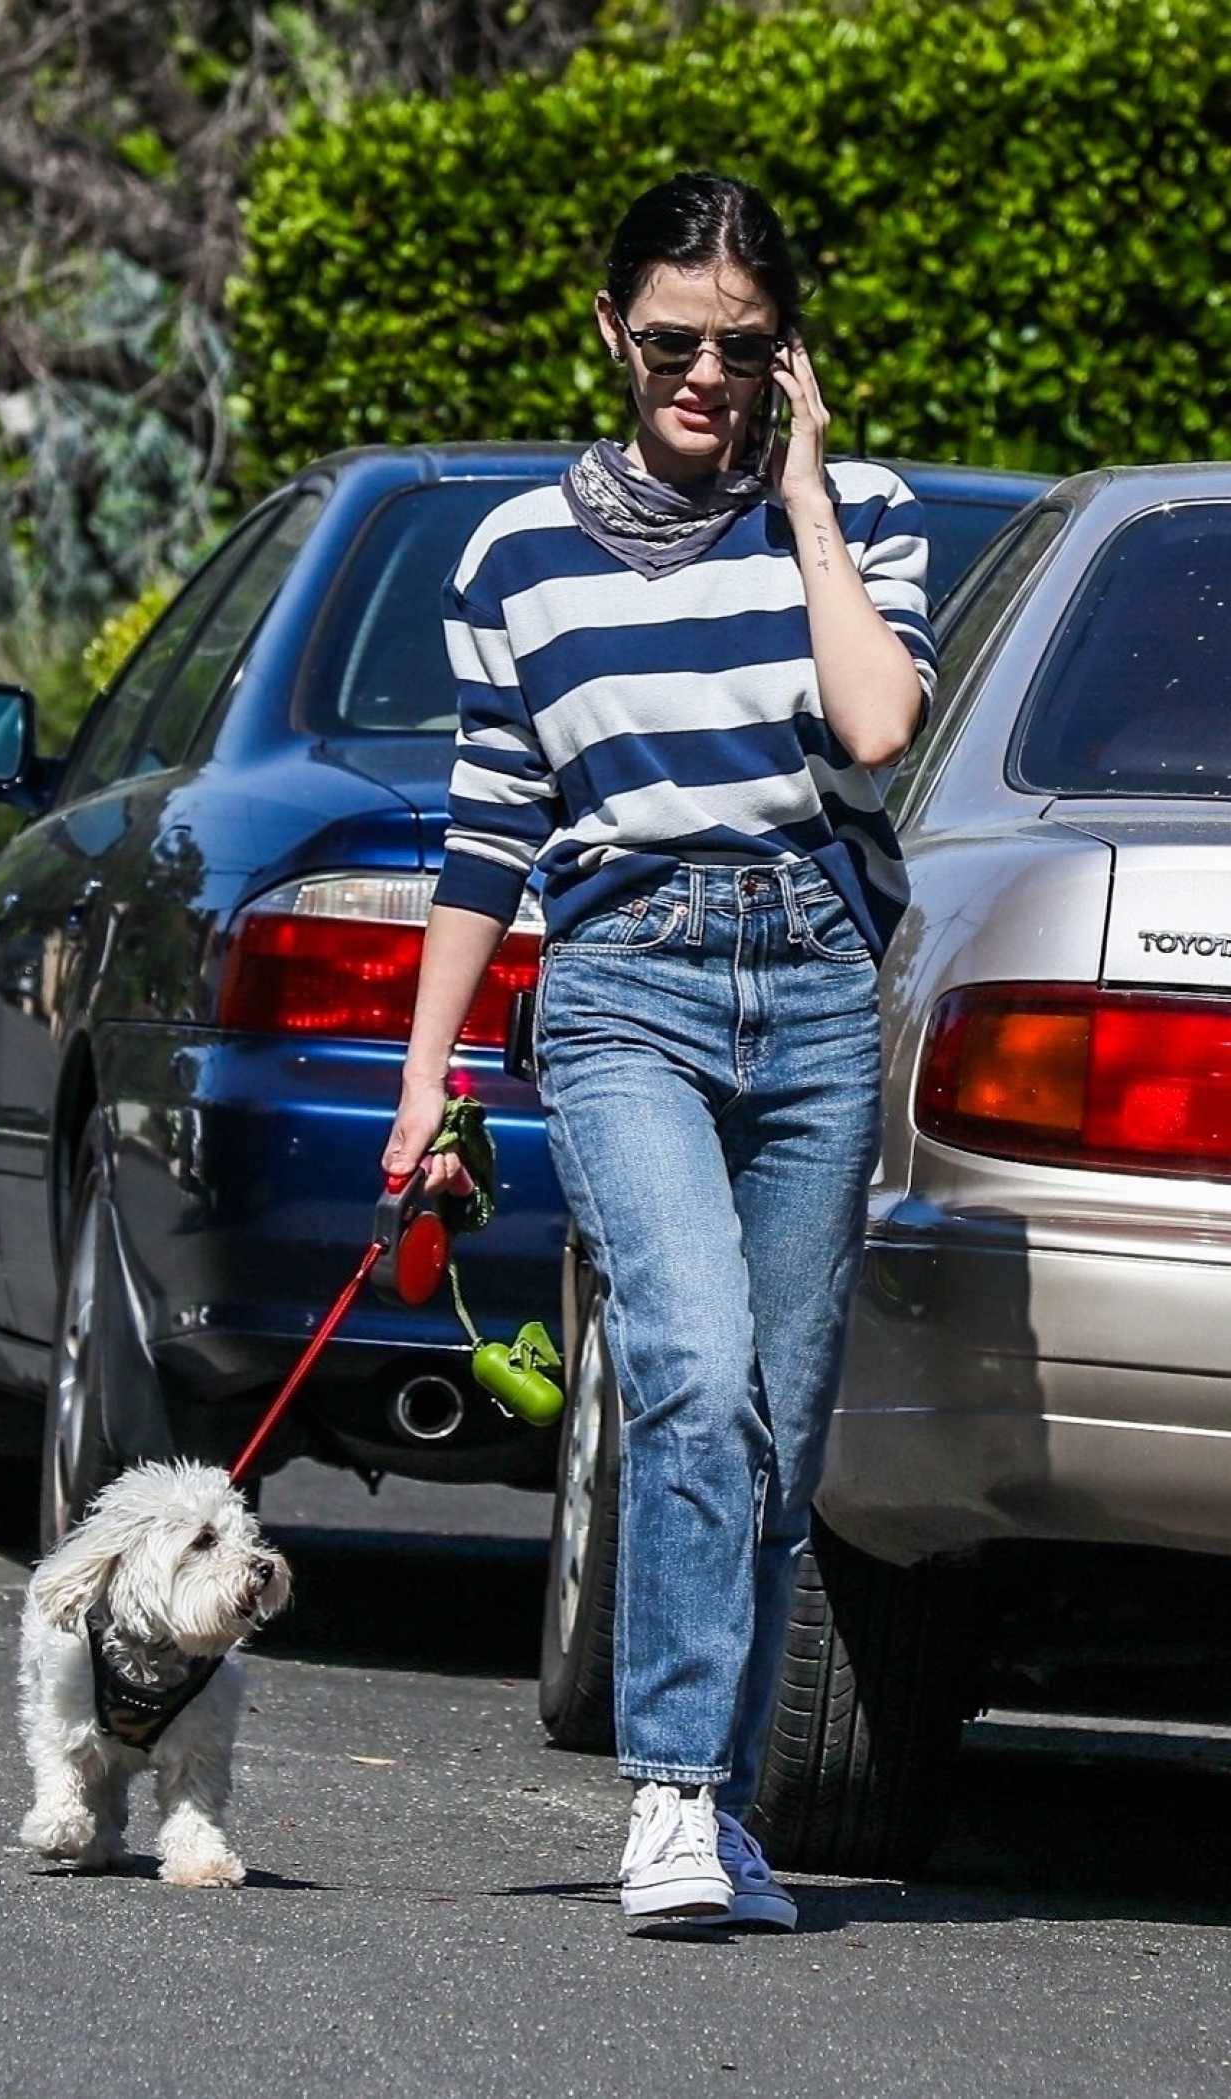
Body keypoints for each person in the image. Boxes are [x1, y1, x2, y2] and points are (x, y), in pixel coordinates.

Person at [380, 169, 935, 1930]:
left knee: (773, 1427)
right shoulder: (513, 558)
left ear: (789, 356)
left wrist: (810, 500)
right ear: (613, 330)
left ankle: (722, 1810)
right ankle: (676, 1797)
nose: (705, 373)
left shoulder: (866, 517)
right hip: (624, 979)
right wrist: (424, 1086)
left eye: (746, 347)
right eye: (677, 339)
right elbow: (485, 831)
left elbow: (877, 722)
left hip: (820, 981)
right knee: (687, 1369)